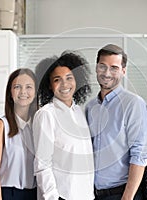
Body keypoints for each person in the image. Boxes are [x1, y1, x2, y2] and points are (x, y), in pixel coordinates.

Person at [85, 44, 147, 200]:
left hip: (122, 194)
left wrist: (127, 197)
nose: (107, 73)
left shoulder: (134, 104)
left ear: (123, 71)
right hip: (92, 193)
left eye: (114, 68)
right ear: (96, 68)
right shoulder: (90, 107)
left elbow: (140, 154)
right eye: (103, 66)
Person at [33, 52, 94, 200]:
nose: (64, 84)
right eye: (57, 80)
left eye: (69, 78)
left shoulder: (79, 112)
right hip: (62, 196)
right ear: (49, 84)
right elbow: (42, 164)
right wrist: (53, 197)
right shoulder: (47, 114)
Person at [0, 68, 37, 200]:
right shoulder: (2, 125)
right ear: (10, 92)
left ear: (35, 92)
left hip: (35, 194)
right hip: (8, 194)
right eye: (17, 87)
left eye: (28, 87)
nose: (23, 92)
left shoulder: (39, 126)